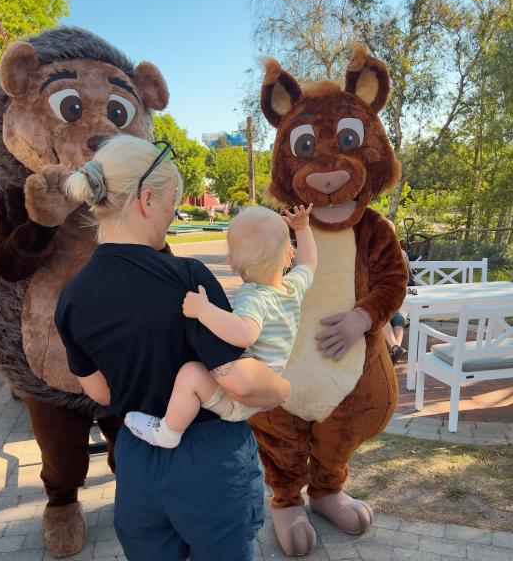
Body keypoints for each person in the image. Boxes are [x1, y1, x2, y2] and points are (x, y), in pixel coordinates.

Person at [54, 135, 290, 561]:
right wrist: (285, 389)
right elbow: (239, 381)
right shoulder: (186, 278)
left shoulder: (71, 297)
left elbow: (102, 393)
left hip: (137, 456)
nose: (172, 214)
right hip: (208, 461)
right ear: (147, 199)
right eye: (170, 204)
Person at [125, 204, 317, 448]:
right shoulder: (293, 288)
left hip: (239, 398)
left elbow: (244, 333)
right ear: (289, 254)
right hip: (264, 388)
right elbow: (309, 263)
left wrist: (204, 311)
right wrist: (303, 228)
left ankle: (168, 431)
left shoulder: (255, 297)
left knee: (190, 374)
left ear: (232, 262)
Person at [382, 249, 413, 363]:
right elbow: (409, 276)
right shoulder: (402, 253)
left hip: (386, 294)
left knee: (382, 314)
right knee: (398, 314)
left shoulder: (378, 252)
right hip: (398, 293)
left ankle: (395, 347)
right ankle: (396, 349)